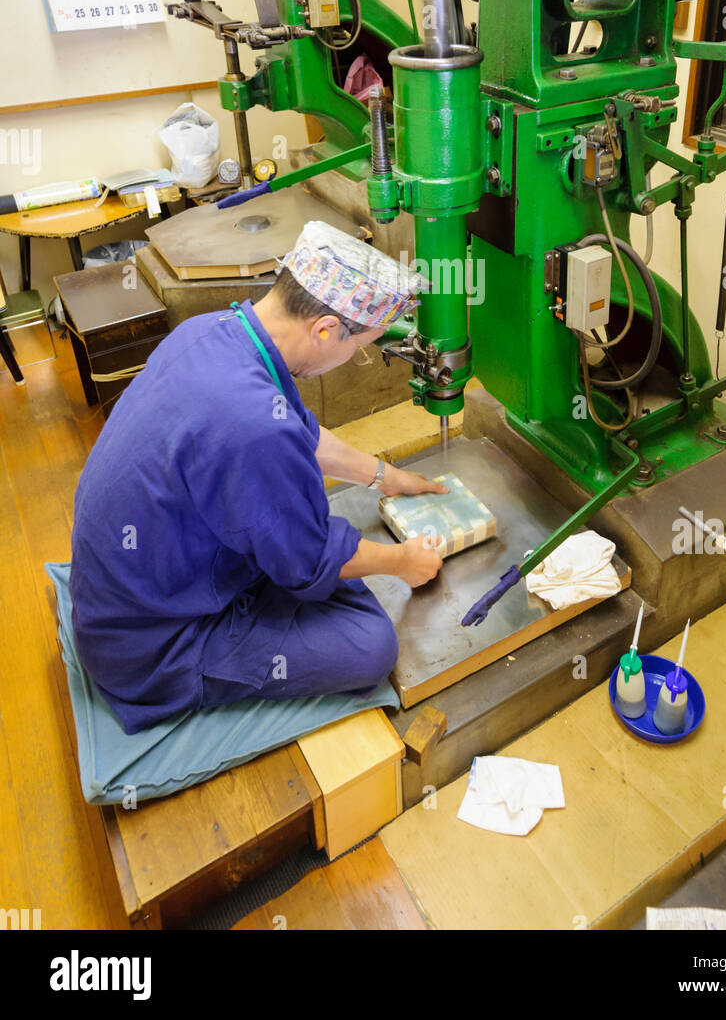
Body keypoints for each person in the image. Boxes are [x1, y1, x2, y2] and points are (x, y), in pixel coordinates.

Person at [70, 220, 446, 734]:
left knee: (310, 529)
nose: (351, 360)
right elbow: (308, 561)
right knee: (370, 646)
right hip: (154, 646)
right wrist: (404, 561)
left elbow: (303, 434)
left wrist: (388, 477)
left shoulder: (213, 332)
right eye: (360, 349)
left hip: (126, 592)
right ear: (326, 330)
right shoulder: (252, 425)